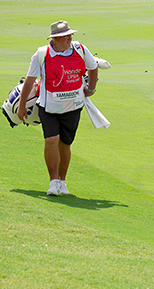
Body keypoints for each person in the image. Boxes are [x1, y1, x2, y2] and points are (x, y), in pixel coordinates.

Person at [18, 20, 98, 196]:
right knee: (51, 140)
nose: (69, 39)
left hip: (73, 106)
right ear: (54, 39)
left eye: (70, 35)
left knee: (65, 144)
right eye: (65, 36)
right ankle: (53, 181)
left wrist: (90, 89)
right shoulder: (42, 55)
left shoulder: (80, 50)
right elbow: (30, 80)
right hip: (48, 107)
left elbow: (93, 67)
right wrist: (22, 105)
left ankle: (62, 181)